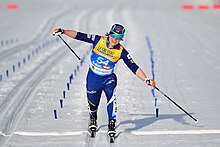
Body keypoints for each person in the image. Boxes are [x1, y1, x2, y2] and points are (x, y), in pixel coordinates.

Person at [52, 24, 155, 136]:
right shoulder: (98, 40)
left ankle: (112, 122)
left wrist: (146, 79)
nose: (115, 40)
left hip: (108, 79)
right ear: (109, 34)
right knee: (93, 103)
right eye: (113, 36)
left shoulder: (121, 51)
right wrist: (63, 31)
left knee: (111, 98)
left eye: (118, 38)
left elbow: (133, 67)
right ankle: (93, 116)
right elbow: (80, 35)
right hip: (93, 77)